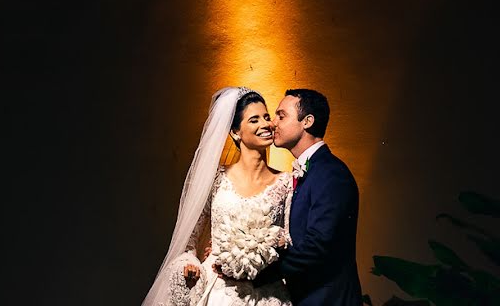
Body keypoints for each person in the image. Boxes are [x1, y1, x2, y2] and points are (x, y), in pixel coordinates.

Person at [143, 87, 293, 306]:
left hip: (267, 293)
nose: (265, 124)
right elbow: (188, 242)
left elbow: (290, 240)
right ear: (235, 132)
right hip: (217, 291)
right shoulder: (216, 179)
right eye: (254, 120)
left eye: (266, 117)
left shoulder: (286, 182)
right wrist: (189, 263)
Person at [270, 89, 363, 306]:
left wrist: (259, 273)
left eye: (281, 116)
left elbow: (317, 246)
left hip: (327, 299)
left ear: (307, 121)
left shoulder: (332, 173)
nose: (274, 123)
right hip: (304, 296)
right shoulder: (306, 172)